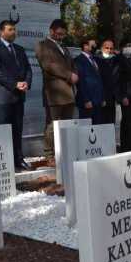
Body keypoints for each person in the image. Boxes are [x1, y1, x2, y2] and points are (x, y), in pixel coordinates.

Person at [0, 20, 32, 171]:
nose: (14, 32)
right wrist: (15, 84)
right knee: (3, 132)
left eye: (15, 29)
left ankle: (19, 160)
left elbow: (28, 69)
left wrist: (26, 83)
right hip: (3, 98)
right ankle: (4, 163)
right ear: (1, 32)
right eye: (10, 29)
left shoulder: (19, 49)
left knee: (18, 130)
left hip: (19, 97)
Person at [35, 19, 78, 163]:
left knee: (66, 125)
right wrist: (68, 75)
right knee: (52, 125)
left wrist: (75, 74)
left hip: (69, 93)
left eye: (63, 35)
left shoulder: (64, 48)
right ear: (51, 31)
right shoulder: (42, 45)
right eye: (59, 34)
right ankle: (49, 155)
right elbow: (48, 65)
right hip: (53, 94)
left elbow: (72, 64)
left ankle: (64, 152)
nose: (61, 37)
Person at [74, 39, 105, 124]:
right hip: (87, 101)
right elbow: (81, 82)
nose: (95, 46)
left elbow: (99, 80)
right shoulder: (79, 60)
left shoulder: (95, 60)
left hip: (97, 100)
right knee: (86, 128)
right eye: (93, 44)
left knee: (97, 126)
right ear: (85, 46)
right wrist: (86, 100)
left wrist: (102, 97)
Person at [97, 39, 121, 124]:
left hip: (112, 97)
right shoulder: (96, 60)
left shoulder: (115, 60)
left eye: (111, 48)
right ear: (102, 48)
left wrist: (119, 55)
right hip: (101, 96)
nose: (109, 50)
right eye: (107, 48)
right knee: (101, 122)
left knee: (111, 122)